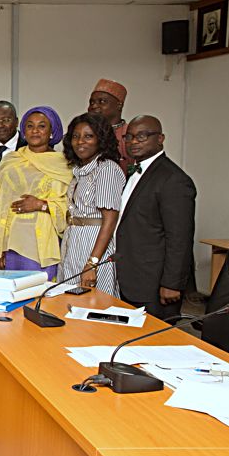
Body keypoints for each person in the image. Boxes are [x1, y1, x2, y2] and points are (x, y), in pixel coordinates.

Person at [115, 115, 196, 319]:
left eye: (142, 136)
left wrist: (171, 283)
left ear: (160, 138)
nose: (133, 142)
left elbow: (180, 238)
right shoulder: (133, 172)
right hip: (129, 277)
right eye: (129, 137)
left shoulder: (174, 179)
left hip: (155, 284)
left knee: (156, 344)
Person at [0, 106, 71, 281]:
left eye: (42, 126)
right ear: (23, 130)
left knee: (40, 300)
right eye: (30, 126)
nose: (35, 130)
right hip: (10, 245)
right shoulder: (11, 160)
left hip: (41, 247)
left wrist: (41, 204)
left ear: (52, 131)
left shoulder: (64, 165)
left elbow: (71, 206)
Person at [59, 113, 125, 296]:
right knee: (70, 302)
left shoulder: (106, 169)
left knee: (95, 306)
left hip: (94, 246)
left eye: (88, 136)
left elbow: (110, 220)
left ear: (100, 139)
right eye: (75, 136)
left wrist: (92, 263)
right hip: (73, 242)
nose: (80, 142)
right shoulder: (79, 170)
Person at [87, 78, 132, 174]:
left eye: (102, 101)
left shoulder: (130, 133)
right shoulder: (85, 132)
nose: (94, 106)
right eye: (92, 102)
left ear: (119, 105)